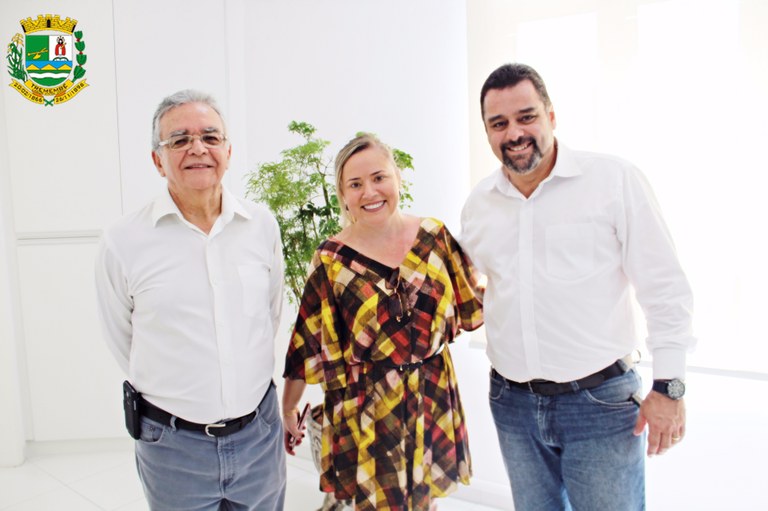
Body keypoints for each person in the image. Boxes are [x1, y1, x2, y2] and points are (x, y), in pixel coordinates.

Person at [460, 63, 696, 511]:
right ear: (487, 132)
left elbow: (665, 286)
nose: (514, 133)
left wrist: (670, 387)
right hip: (512, 405)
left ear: (551, 115)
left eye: (526, 116)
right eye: (499, 123)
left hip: (599, 405)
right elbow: (468, 286)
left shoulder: (613, 180)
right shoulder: (479, 204)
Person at [95, 90, 286, 511]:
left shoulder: (261, 226)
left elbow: (269, 316)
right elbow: (122, 338)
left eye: (210, 137)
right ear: (157, 160)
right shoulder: (123, 240)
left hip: (260, 436)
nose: (197, 148)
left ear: (228, 152)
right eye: (179, 140)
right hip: (173, 447)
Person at [282, 134, 484, 511]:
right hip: (367, 404)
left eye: (379, 178)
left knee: (423, 502)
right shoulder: (331, 261)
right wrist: (289, 407)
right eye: (355, 184)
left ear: (397, 178)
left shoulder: (435, 237)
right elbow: (307, 341)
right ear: (343, 195)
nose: (370, 192)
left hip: (431, 391)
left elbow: (475, 300)